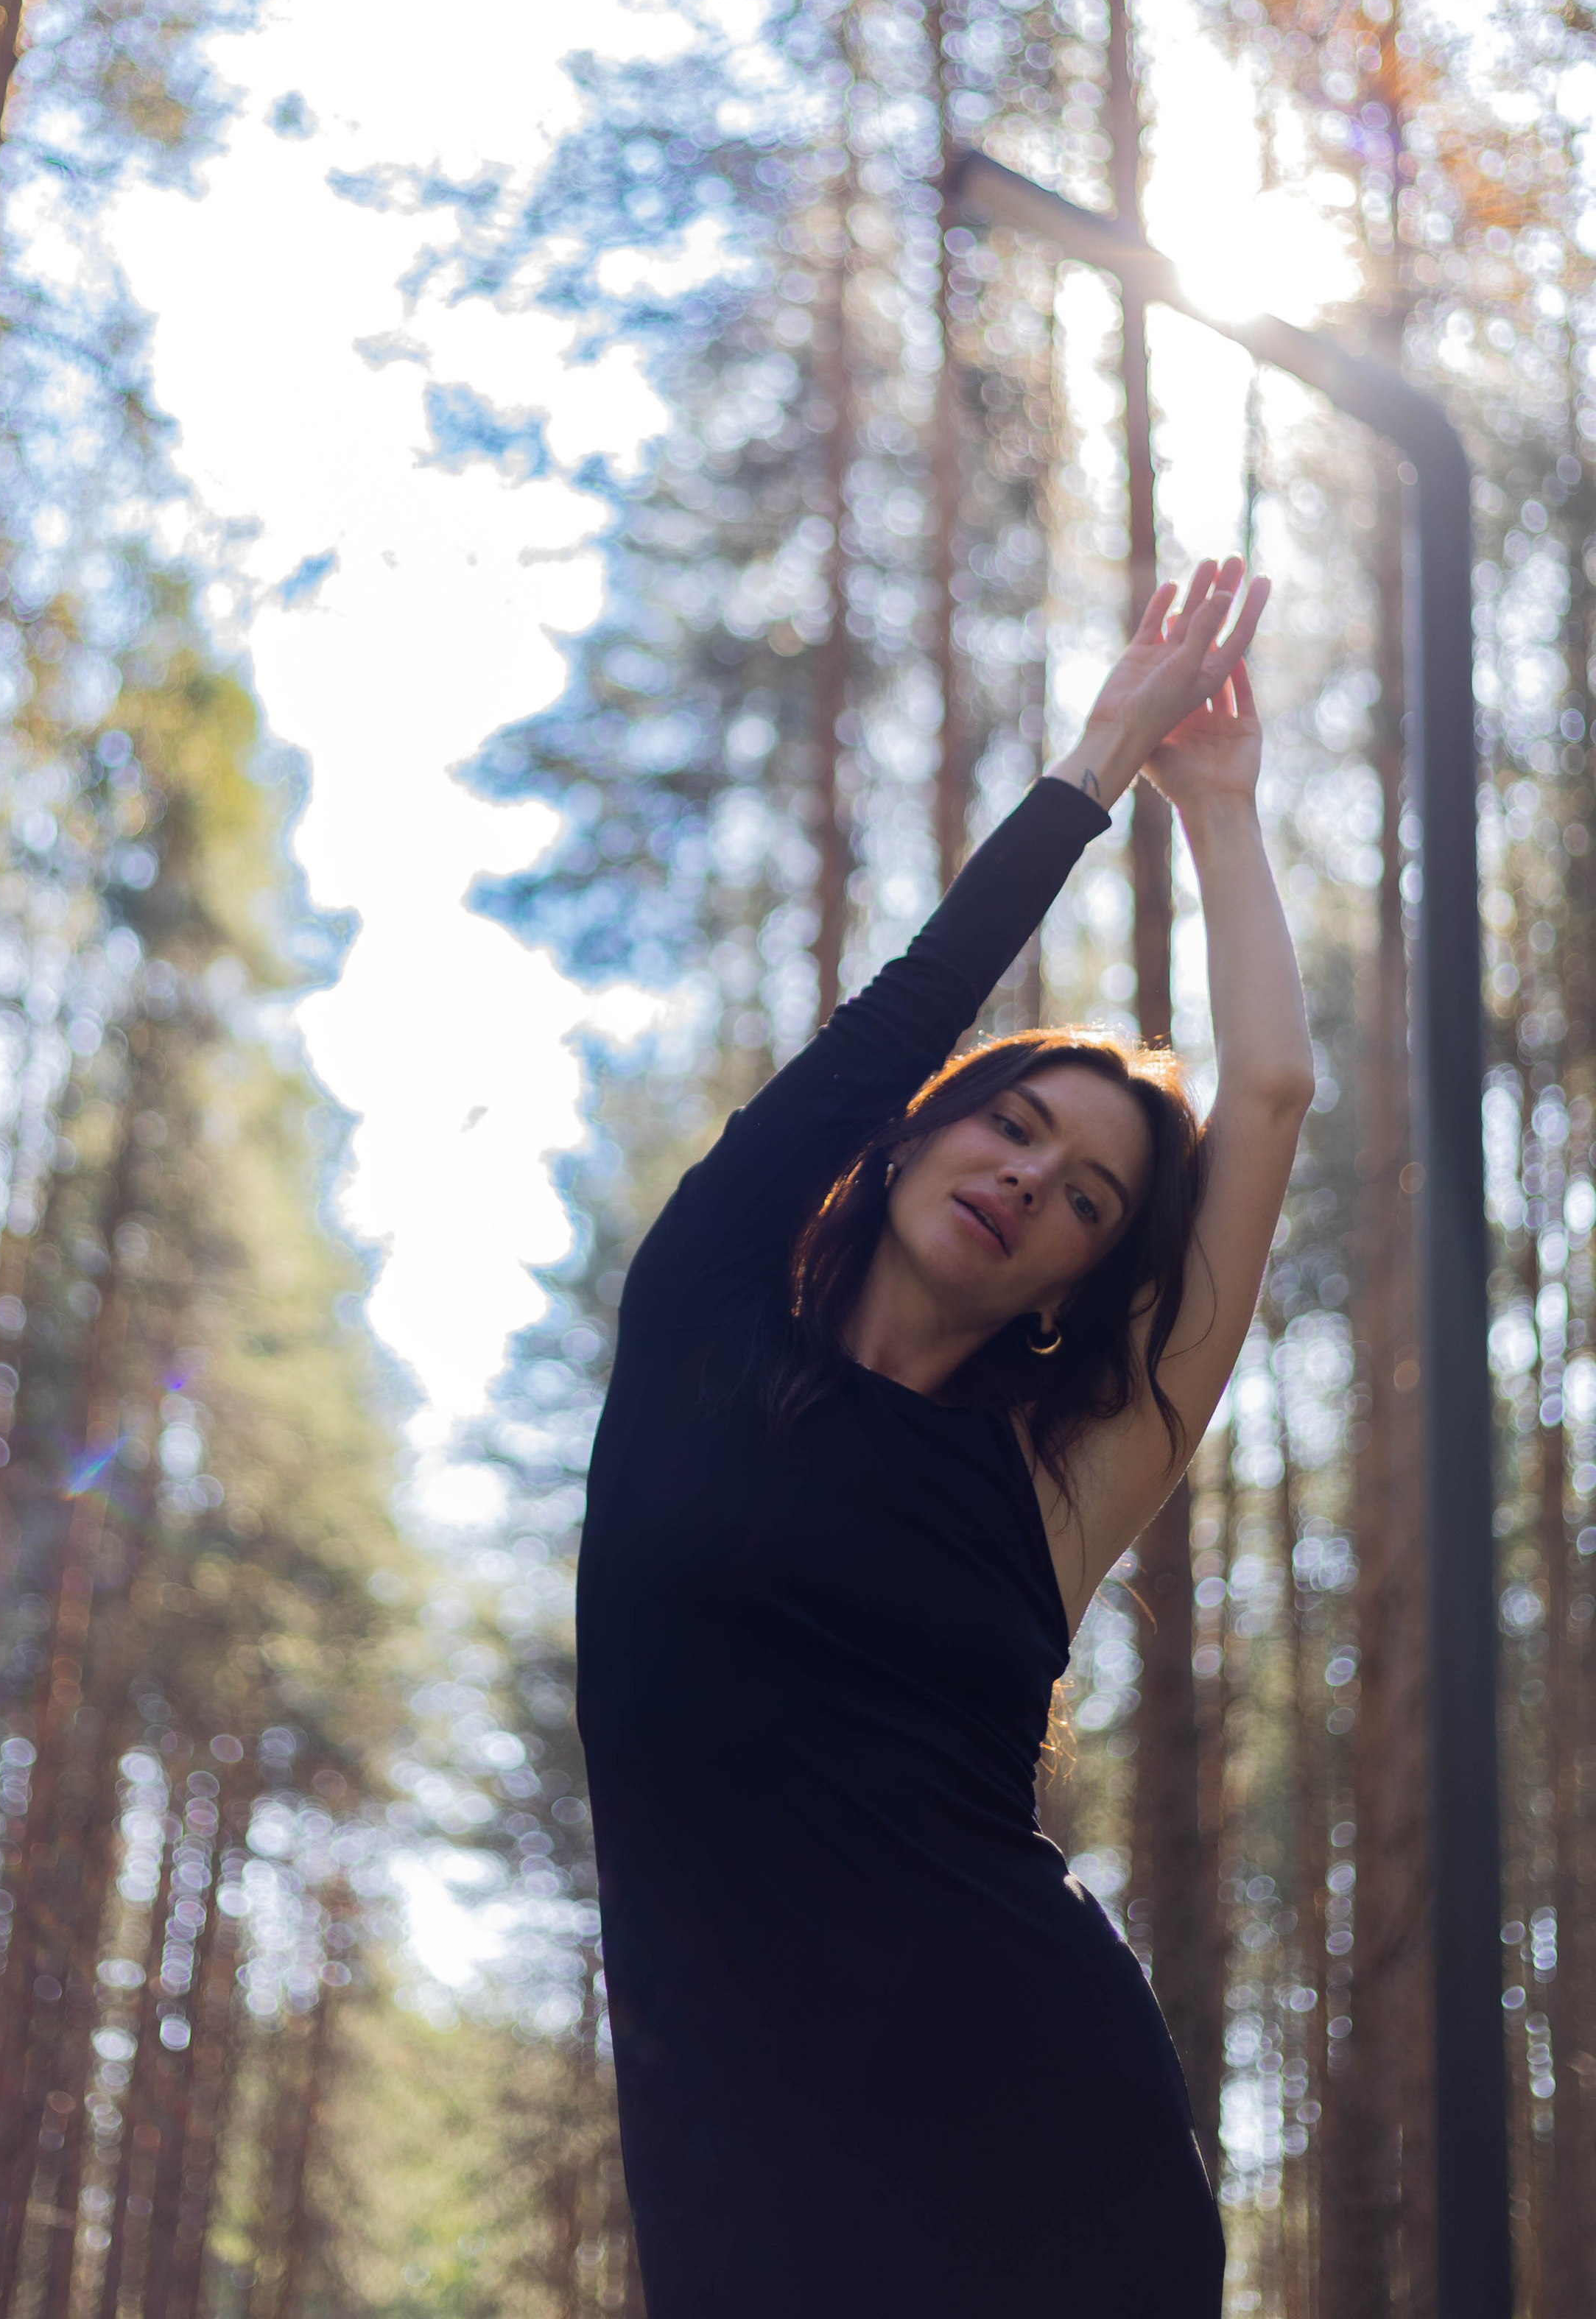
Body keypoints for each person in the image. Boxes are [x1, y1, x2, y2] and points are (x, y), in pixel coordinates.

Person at [577, 558, 1312, 2318]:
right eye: (1008, 1126)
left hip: (1054, 2155)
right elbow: (893, 1012)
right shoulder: (695, 1331)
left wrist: (1220, 812)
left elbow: (1270, 1097)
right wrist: (1101, 761)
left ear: (1077, 1281)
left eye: (1083, 1198)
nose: (1026, 1180)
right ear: (909, 1141)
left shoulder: (1052, 1491)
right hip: (746, 2180)